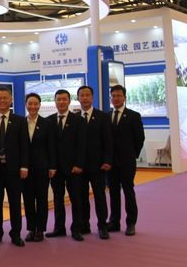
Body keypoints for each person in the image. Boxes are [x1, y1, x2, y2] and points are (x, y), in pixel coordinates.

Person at [0, 87, 29, 247]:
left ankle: (16, 234)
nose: (2, 101)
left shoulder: (20, 121)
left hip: (14, 170)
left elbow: (24, 145)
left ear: (11, 100)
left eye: (5, 98)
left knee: (15, 203)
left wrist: (24, 166)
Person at [46, 89, 86, 241]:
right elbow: (48, 146)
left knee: (76, 199)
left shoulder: (78, 120)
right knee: (58, 200)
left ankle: (77, 229)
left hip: (73, 168)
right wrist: (51, 166)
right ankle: (59, 228)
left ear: (69, 101)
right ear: (55, 101)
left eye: (64, 99)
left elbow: (82, 145)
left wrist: (79, 164)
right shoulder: (49, 121)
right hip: (55, 169)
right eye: (59, 99)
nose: (61, 102)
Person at [107, 84, 145, 236]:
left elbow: (140, 138)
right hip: (110, 163)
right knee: (113, 192)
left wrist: (132, 155)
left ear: (124, 98)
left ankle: (131, 223)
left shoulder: (133, 116)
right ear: (111, 98)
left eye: (119, 96)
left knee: (128, 191)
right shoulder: (106, 116)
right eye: (113, 96)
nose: (116, 98)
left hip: (127, 161)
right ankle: (114, 222)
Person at [77, 85, 113, 240]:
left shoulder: (102, 117)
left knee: (100, 197)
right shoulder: (75, 118)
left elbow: (108, 141)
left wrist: (107, 160)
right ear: (78, 98)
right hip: (79, 166)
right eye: (82, 95)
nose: (85, 98)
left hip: (98, 165)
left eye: (88, 95)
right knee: (82, 197)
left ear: (92, 97)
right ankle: (84, 225)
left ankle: (102, 226)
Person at [22, 93, 56, 243]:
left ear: (40, 105)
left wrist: (52, 166)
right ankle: (31, 228)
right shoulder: (21, 123)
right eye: (30, 103)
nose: (33, 106)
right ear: (26, 104)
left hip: (42, 167)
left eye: (36, 103)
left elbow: (51, 146)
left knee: (42, 199)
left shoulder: (47, 123)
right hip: (25, 169)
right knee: (28, 200)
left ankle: (40, 229)